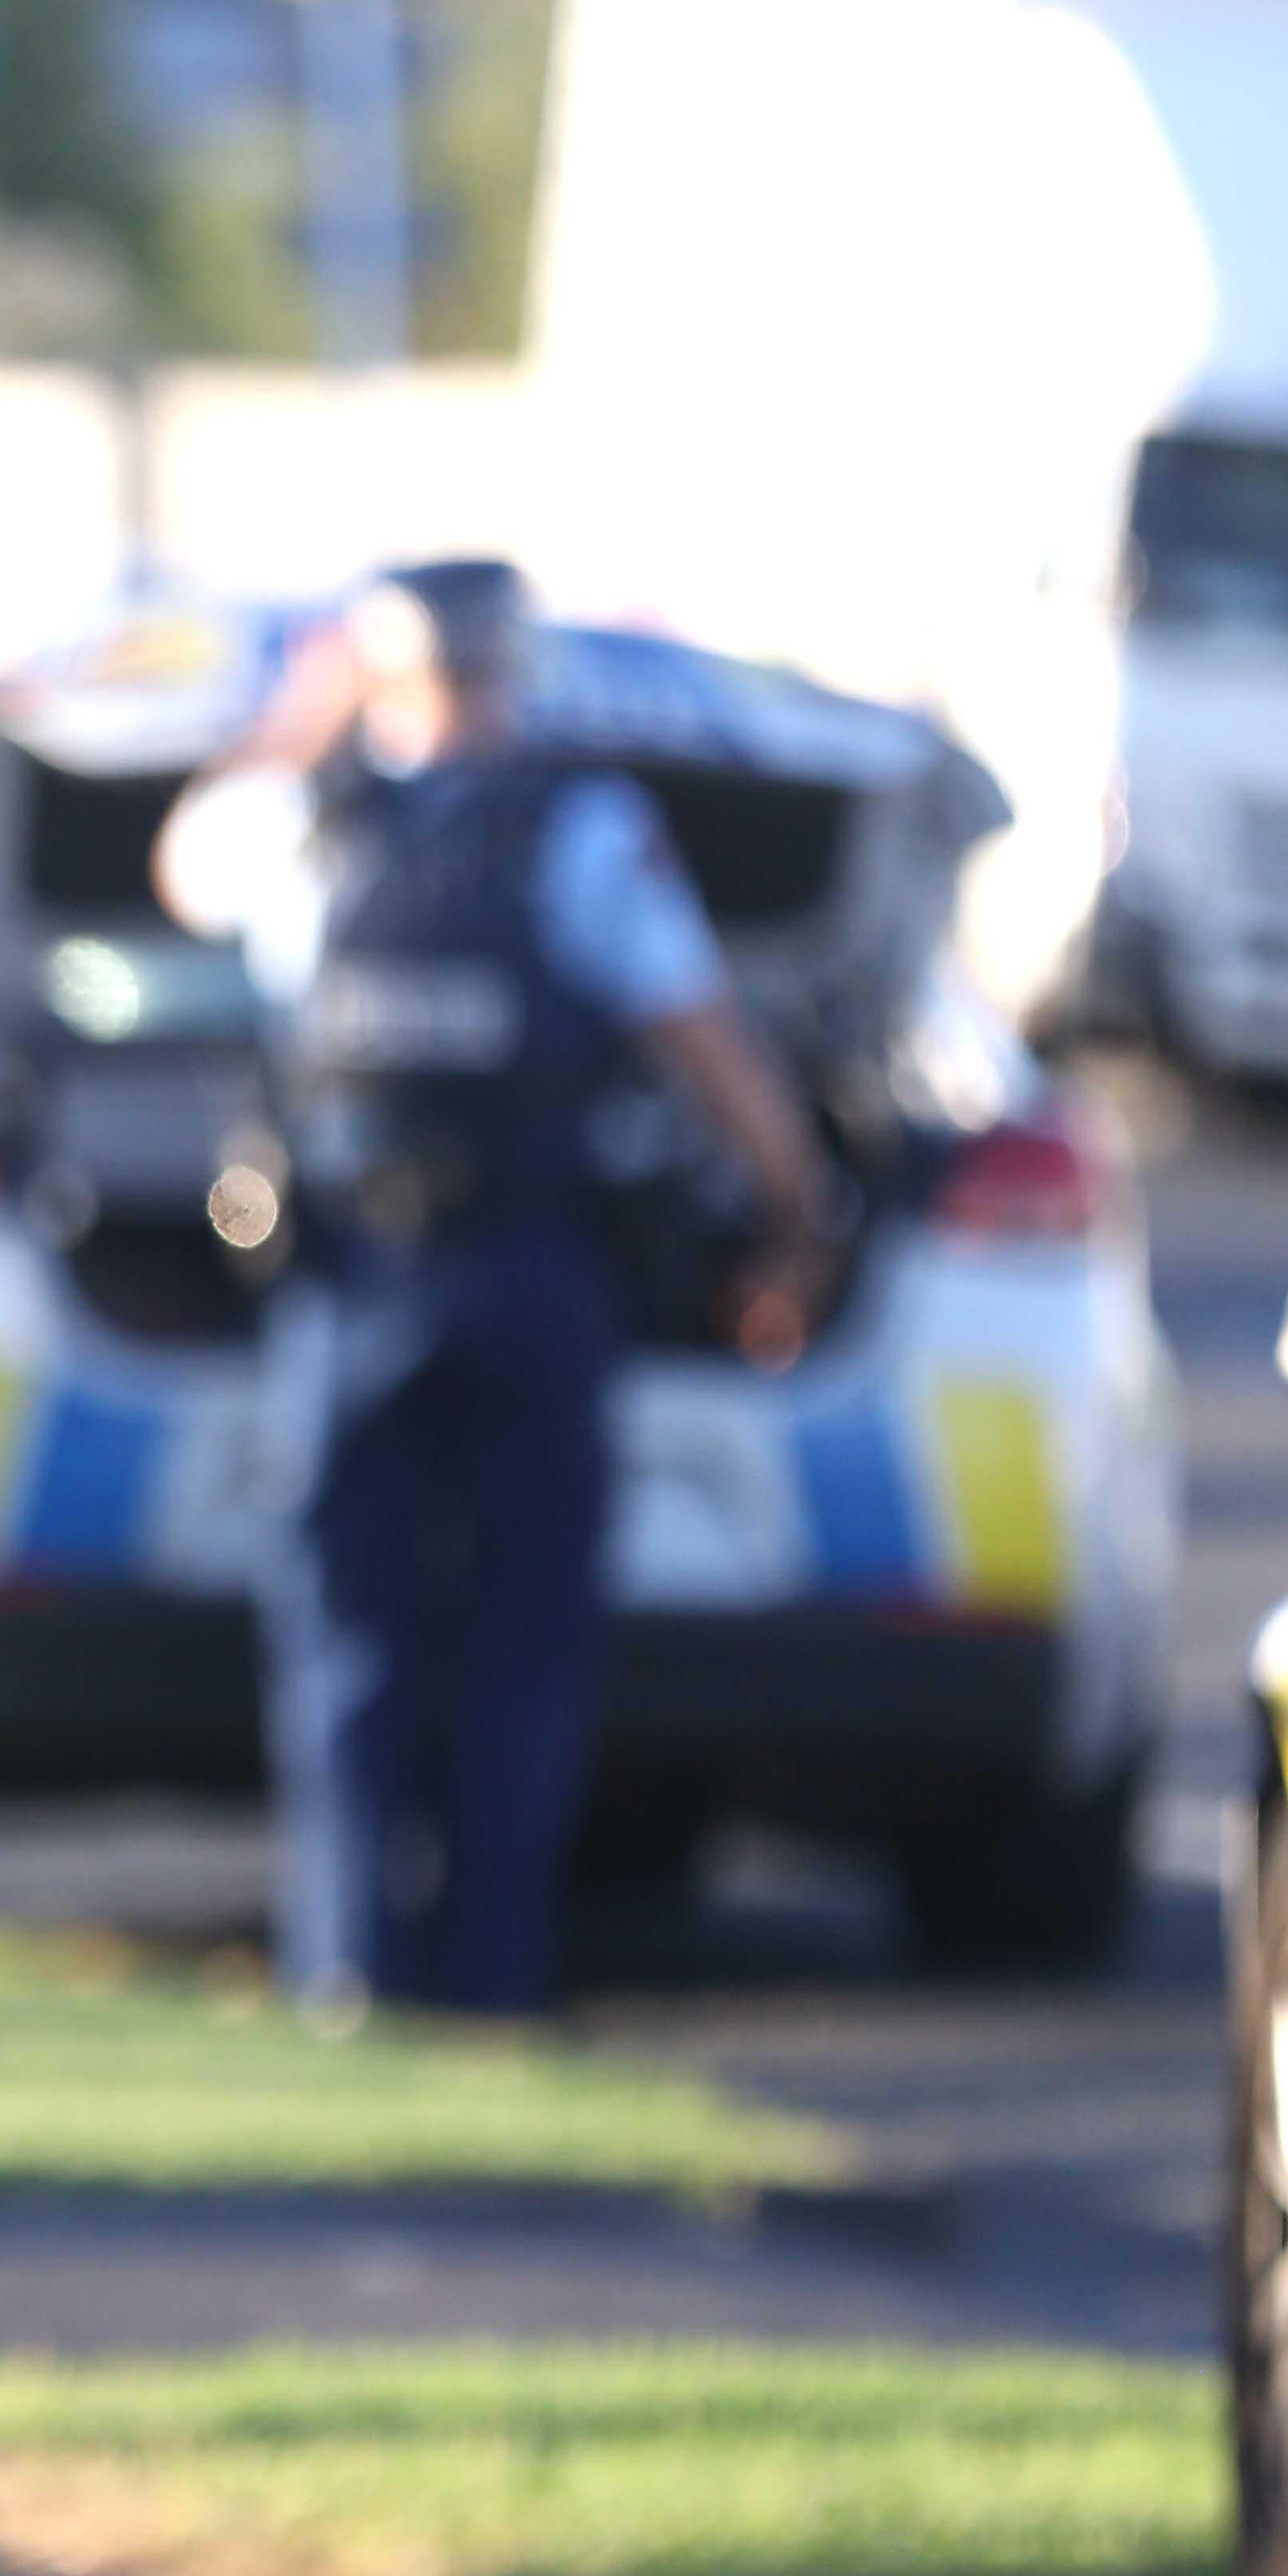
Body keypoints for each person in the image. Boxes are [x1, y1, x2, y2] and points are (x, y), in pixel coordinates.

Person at [157, 558, 845, 2025]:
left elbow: (181, 861)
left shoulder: (302, 819)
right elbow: (704, 1041)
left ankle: (344, 1972)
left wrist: (298, 716)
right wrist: (797, 1209)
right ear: (511, 670)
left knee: (348, 1643)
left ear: (380, 671)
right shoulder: (585, 830)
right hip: (536, 1272)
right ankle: (491, 1981)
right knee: (524, 1645)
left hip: (349, 1280)